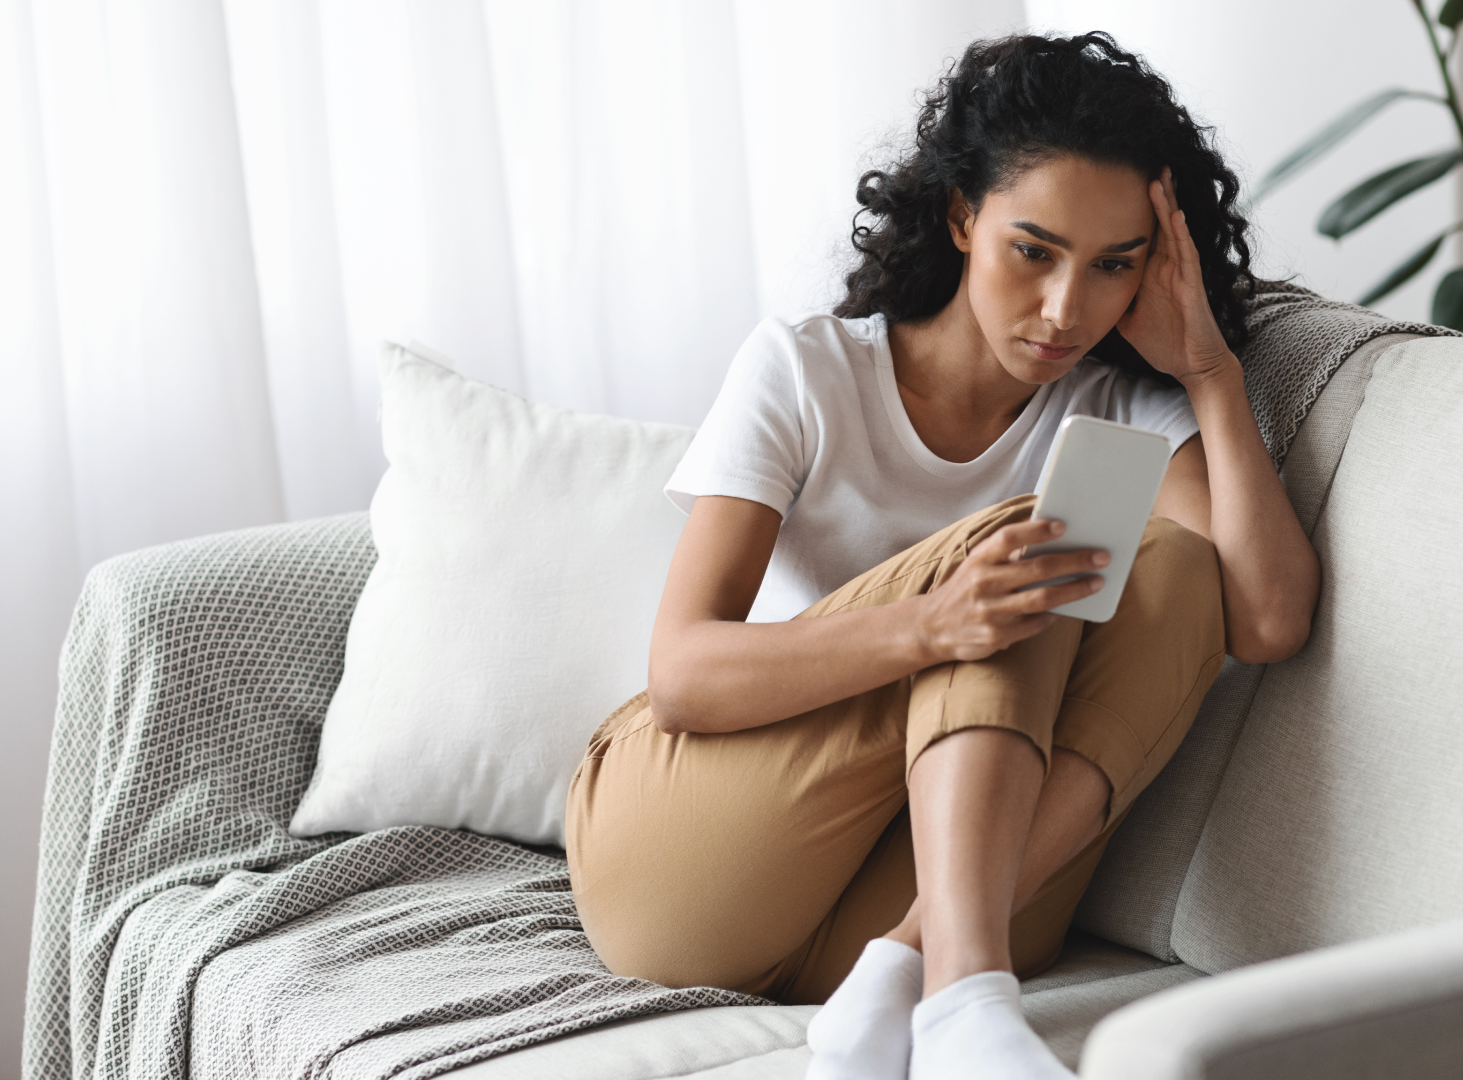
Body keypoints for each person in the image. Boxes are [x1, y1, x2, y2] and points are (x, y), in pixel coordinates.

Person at [566, 31, 1320, 1080]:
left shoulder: (1119, 407)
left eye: (1115, 265)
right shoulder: (807, 370)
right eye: (1034, 250)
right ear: (964, 215)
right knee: (1031, 545)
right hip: (688, 864)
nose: (1068, 309)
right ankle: (965, 993)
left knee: (1177, 568)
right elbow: (684, 679)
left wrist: (1208, 372)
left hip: (885, 912)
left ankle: (910, 982)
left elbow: (1266, 619)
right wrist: (932, 624)